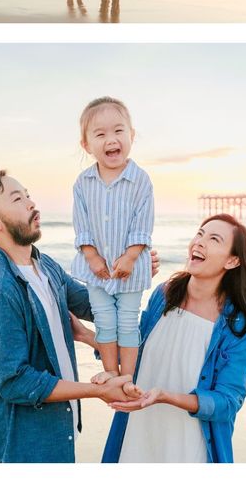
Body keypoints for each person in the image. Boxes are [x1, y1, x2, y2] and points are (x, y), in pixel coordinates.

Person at [0, 169, 159, 463]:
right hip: (27, 442)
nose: (31, 203)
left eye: (28, 195)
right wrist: (97, 391)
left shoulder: (45, 267)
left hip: (60, 428)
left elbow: (93, 304)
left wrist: (130, 274)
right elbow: (15, 382)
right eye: (18, 199)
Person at [100, 214, 246, 463]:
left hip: (190, 445)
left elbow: (227, 402)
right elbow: (132, 352)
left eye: (214, 239)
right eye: (199, 234)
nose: (199, 242)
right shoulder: (163, 296)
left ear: (233, 261)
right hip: (138, 433)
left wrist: (166, 397)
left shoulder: (237, 323)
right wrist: (88, 336)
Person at [71, 97, 153, 394]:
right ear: (86, 144)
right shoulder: (83, 183)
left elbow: (142, 225)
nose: (111, 140)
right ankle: (109, 371)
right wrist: (91, 257)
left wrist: (131, 256)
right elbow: (82, 228)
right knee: (105, 320)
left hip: (131, 269)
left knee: (128, 322)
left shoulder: (140, 180)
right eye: (100, 134)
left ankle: (127, 376)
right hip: (97, 271)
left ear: (131, 135)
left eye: (118, 131)